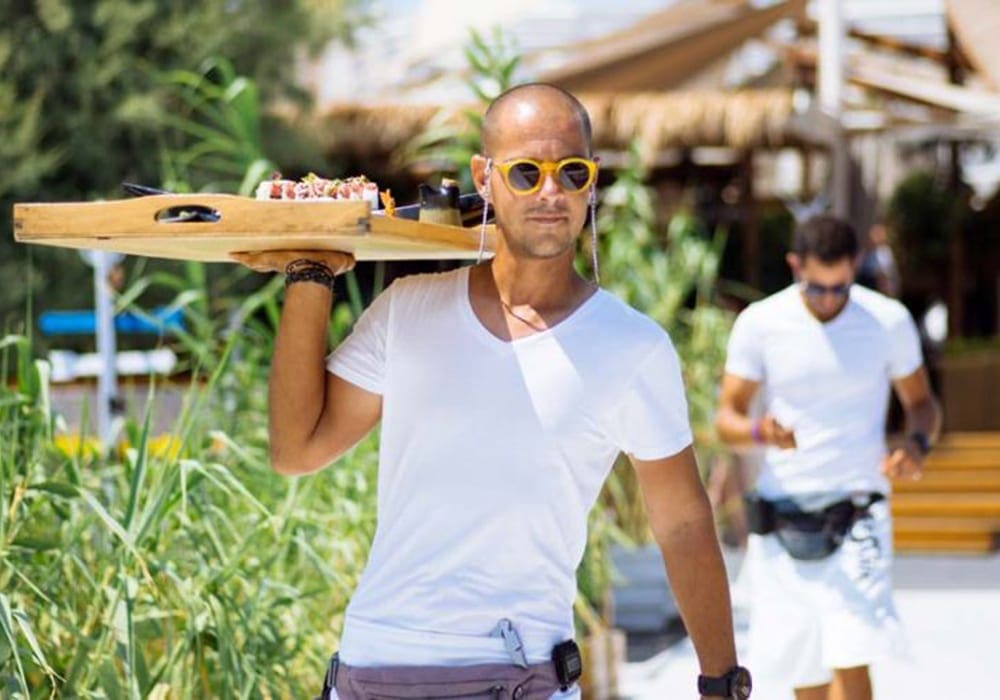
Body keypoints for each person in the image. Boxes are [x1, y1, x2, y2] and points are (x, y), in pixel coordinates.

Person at [234, 83, 749, 700]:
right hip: (375, 667)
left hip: (521, 673)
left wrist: (723, 683)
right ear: (485, 177)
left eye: (572, 172)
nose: (551, 192)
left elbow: (684, 524)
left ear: (592, 181)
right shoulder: (408, 310)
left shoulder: (631, 348)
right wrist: (310, 273)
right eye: (526, 172)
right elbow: (296, 449)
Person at [714, 215, 941, 700]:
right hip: (782, 515)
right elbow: (726, 419)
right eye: (817, 288)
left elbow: (922, 404)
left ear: (855, 267)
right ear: (795, 266)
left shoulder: (887, 320)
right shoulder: (761, 322)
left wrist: (916, 445)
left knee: (852, 654)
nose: (829, 300)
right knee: (806, 673)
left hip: (859, 510)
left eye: (841, 288)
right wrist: (760, 431)